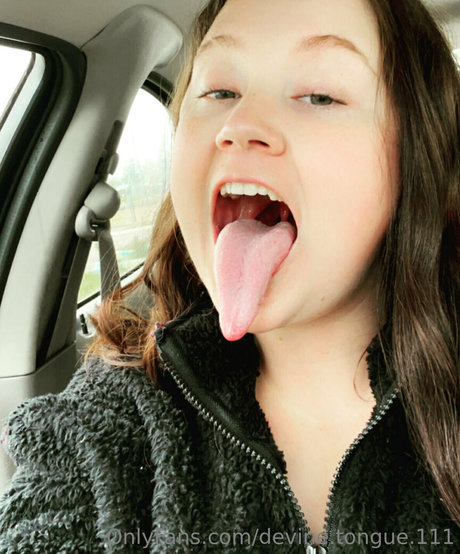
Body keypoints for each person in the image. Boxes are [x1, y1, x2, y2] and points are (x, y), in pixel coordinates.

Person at [1, 0, 459, 551]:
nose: (238, 125)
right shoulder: (117, 414)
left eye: (320, 95)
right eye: (219, 91)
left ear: (419, 155)